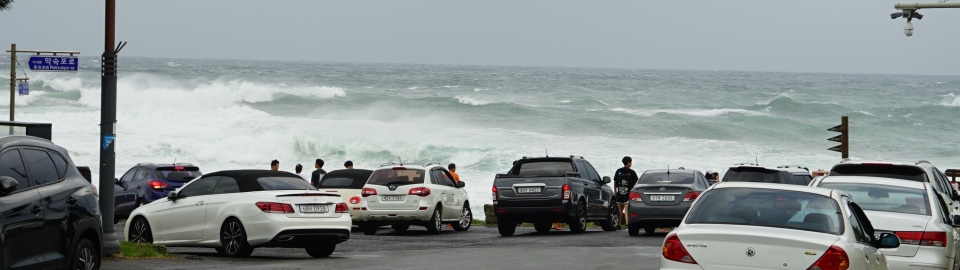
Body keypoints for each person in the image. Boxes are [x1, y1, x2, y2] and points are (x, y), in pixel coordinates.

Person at [614, 156, 639, 227]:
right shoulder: (632, 172)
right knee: (627, 209)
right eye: (631, 162)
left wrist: (615, 191)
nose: (631, 163)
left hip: (619, 193)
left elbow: (615, 182)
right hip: (628, 194)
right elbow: (635, 183)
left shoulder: (618, 171)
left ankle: (618, 224)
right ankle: (627, 224)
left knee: (619, 209)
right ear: (628, 163)